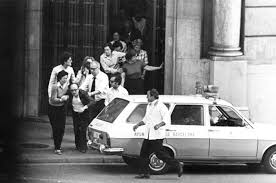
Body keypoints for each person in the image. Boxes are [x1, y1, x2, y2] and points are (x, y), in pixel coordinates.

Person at [133, 89, 184, 179]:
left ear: (153, 96)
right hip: (148, 134)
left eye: (148, 95)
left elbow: (166, 119)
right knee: (143, 154)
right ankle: (144, 173)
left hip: (157, 135)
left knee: (159, 154)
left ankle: (177, 164)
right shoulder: (149, 106)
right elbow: (146, 119)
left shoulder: (161, 106)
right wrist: (138, 125)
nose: (146, 97)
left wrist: (159, 125)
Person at [48, 70, 70, 155]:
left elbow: (69, 95)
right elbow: (53, 99)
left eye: (66, 78)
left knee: (61, 128)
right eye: (64, 78)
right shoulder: (54, 86)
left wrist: (67, 96)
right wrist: (62, 99)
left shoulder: (67, 86)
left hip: (62, 109)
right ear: (60, 78)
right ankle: (57, 147)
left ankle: (58, 146)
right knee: (56, 128)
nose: (66, 79)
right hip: (53, 109)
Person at [69, 83, 95, 153]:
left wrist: (84, 107)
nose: (74, 92)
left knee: (83, 130)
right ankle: (78, 145)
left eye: (75, 90)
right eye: (72, 90)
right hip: (75, 113)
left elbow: (92, 101)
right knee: (76, 129)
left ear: (78, 89)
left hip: (84, 113)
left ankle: (83, 147)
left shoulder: (83, 93)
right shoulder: (70, 95)